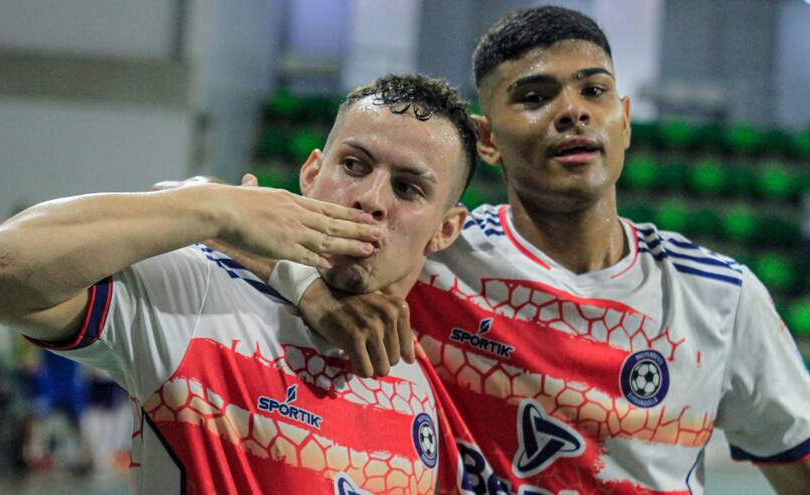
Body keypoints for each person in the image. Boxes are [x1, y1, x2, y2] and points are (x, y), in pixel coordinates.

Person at [270, 6, 810, 494]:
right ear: (486, 141)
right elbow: (229, 220)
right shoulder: (433, 253)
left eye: (593, 92)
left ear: (623, 119)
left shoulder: (721, 298)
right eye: (535, 97)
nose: (573, 112)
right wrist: (312, 290)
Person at [0, 73, 476, 494]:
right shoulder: (202, 296)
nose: (369, 198)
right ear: (312, 172)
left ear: (446, 229)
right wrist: (215, 207)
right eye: (353, 165)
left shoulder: (426, 380)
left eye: (407, 187)